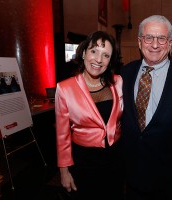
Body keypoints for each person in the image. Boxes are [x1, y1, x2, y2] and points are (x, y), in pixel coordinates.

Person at [121, 15, 172, 200]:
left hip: (167, 172)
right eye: (149, 37)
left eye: (161, 38)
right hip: (130, 168)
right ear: (140, 41)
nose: (155, 44)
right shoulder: (124, 74)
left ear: (170, 42)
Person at [55, 31, 124, 200]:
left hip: (115, 159)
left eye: (105, 55)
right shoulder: (65, 88)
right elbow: (62, 135)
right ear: (84, 52)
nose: (98, 60)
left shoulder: (118, 82)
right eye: (94, 51)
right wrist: (64, 172)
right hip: (84, 161)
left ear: (110, 60)